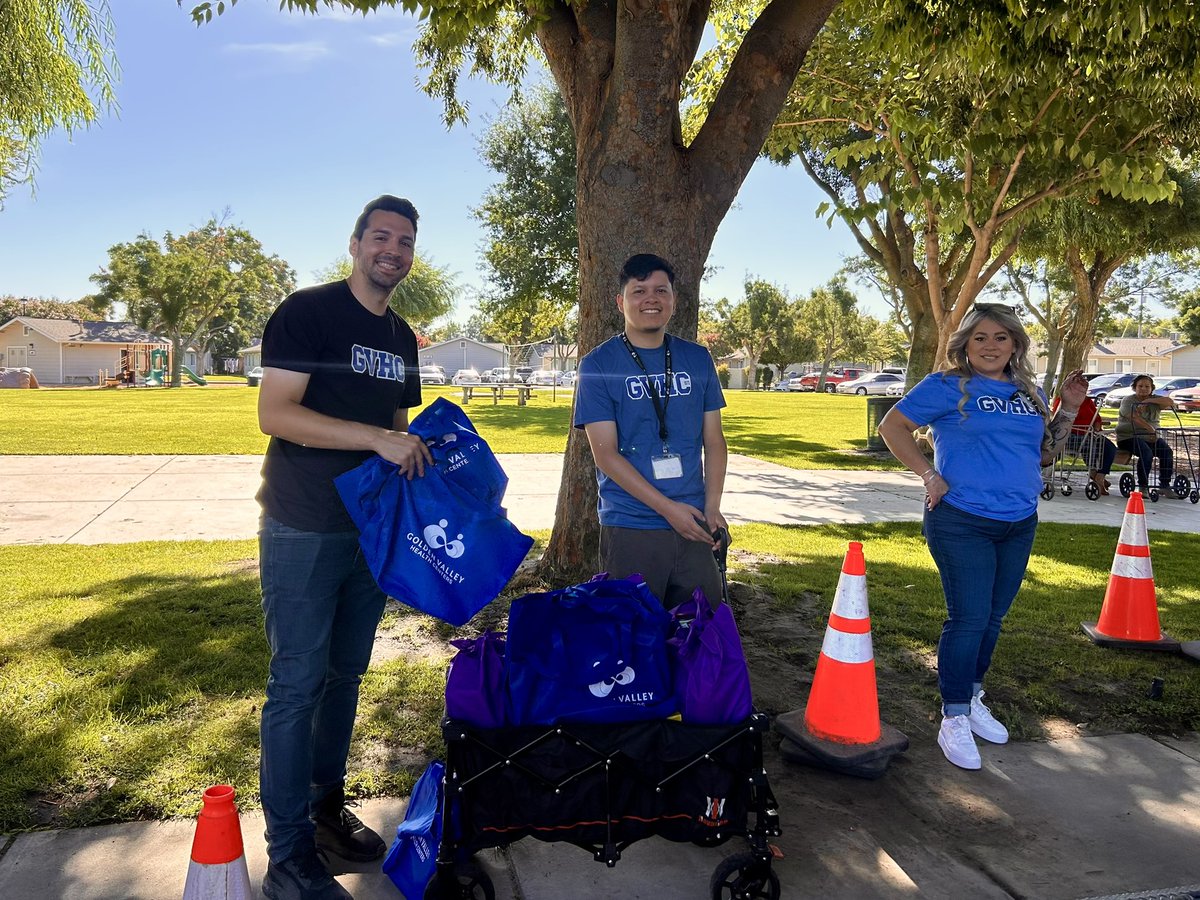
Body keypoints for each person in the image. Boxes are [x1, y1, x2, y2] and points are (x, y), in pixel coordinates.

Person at [255, 195, 433, 900]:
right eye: (381, 236)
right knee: (296, 685)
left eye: (406, 241)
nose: (393, 249)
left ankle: (326, 809)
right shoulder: (310, 311)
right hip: (303, 524)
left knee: (345, 677)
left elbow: (396, 430)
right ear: (357, 243)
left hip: (370, 533)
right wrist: (375, 439)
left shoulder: (402, 338)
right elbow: (276, 413)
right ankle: (289, 855)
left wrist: (417, 453)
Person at [877, 303, 1087, 771]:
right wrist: (929, 474)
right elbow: (892, 426)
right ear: (965, 344)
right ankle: (952, 716)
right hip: (961, 519)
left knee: (993, 618)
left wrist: (1068, 409)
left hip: (1018, 521)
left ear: (1015, 344)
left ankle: (972, 698)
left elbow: (1045, 454)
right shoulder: (946, 386)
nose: (990, 346)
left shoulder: (1026, 392)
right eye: (980, 338)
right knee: (969, 618)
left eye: (1000, 337)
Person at [573, 253, 728, 607]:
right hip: (632, 524)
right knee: (633, 643)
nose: (651, 299)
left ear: (673, 298)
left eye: (661, 290)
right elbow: (606, 455)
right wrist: (667, 509)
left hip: (696, 521)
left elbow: (714, 441)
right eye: (639, 291)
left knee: (699, 638)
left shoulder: (697, 358)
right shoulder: (597, 365)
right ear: (620, 302)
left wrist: (713, 506)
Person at [1114, 374, 1178, 497]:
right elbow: (1134, 417)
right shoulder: (1128, 400)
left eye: (1147, 386)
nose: (1143, 388)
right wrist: (1150, 429)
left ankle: (1164, 485)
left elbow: (1170, 402)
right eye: (1140, 386)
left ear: (1152, 388)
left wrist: (1148, 400)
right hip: (1129, 437)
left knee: (1167, 452)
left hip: (1150, 437)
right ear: (1134, 387)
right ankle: (1143, 486)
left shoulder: (1155, 400)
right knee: (1146, 453)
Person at [1052, 393, 1116, 495]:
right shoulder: (1063, 400)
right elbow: (1059, 420)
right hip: (1071, 435)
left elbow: (1097, 418)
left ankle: (1100, 476)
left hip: (1090, 433)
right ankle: (1094, 473)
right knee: (1088, 445)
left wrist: (1096, 427)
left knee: (1110, 448)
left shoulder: (1088, 401)